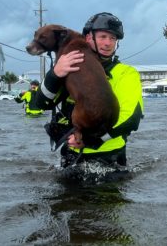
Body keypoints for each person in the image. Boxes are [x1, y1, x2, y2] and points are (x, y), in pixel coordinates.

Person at [35, 12, 144, 168]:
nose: (108, 43)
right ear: (87, 38)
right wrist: (55, 74)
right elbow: (42, 104)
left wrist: (91, 140)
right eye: (102, 37)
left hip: (108, 157)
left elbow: (130, 120)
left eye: (113, 38)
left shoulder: (126, 73)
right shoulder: (69, 66)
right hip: (70, 154)